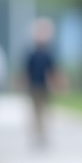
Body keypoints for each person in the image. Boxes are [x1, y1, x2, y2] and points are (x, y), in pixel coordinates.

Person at [25, 18, 61, 148]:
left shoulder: (47, 54)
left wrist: (56, 83)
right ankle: (37, 134)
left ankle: (43, 134)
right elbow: (27, 71)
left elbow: (52, 70)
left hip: (44, 86)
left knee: (44, 111)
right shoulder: (32, 53)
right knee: (36, 111)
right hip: (34, 86)